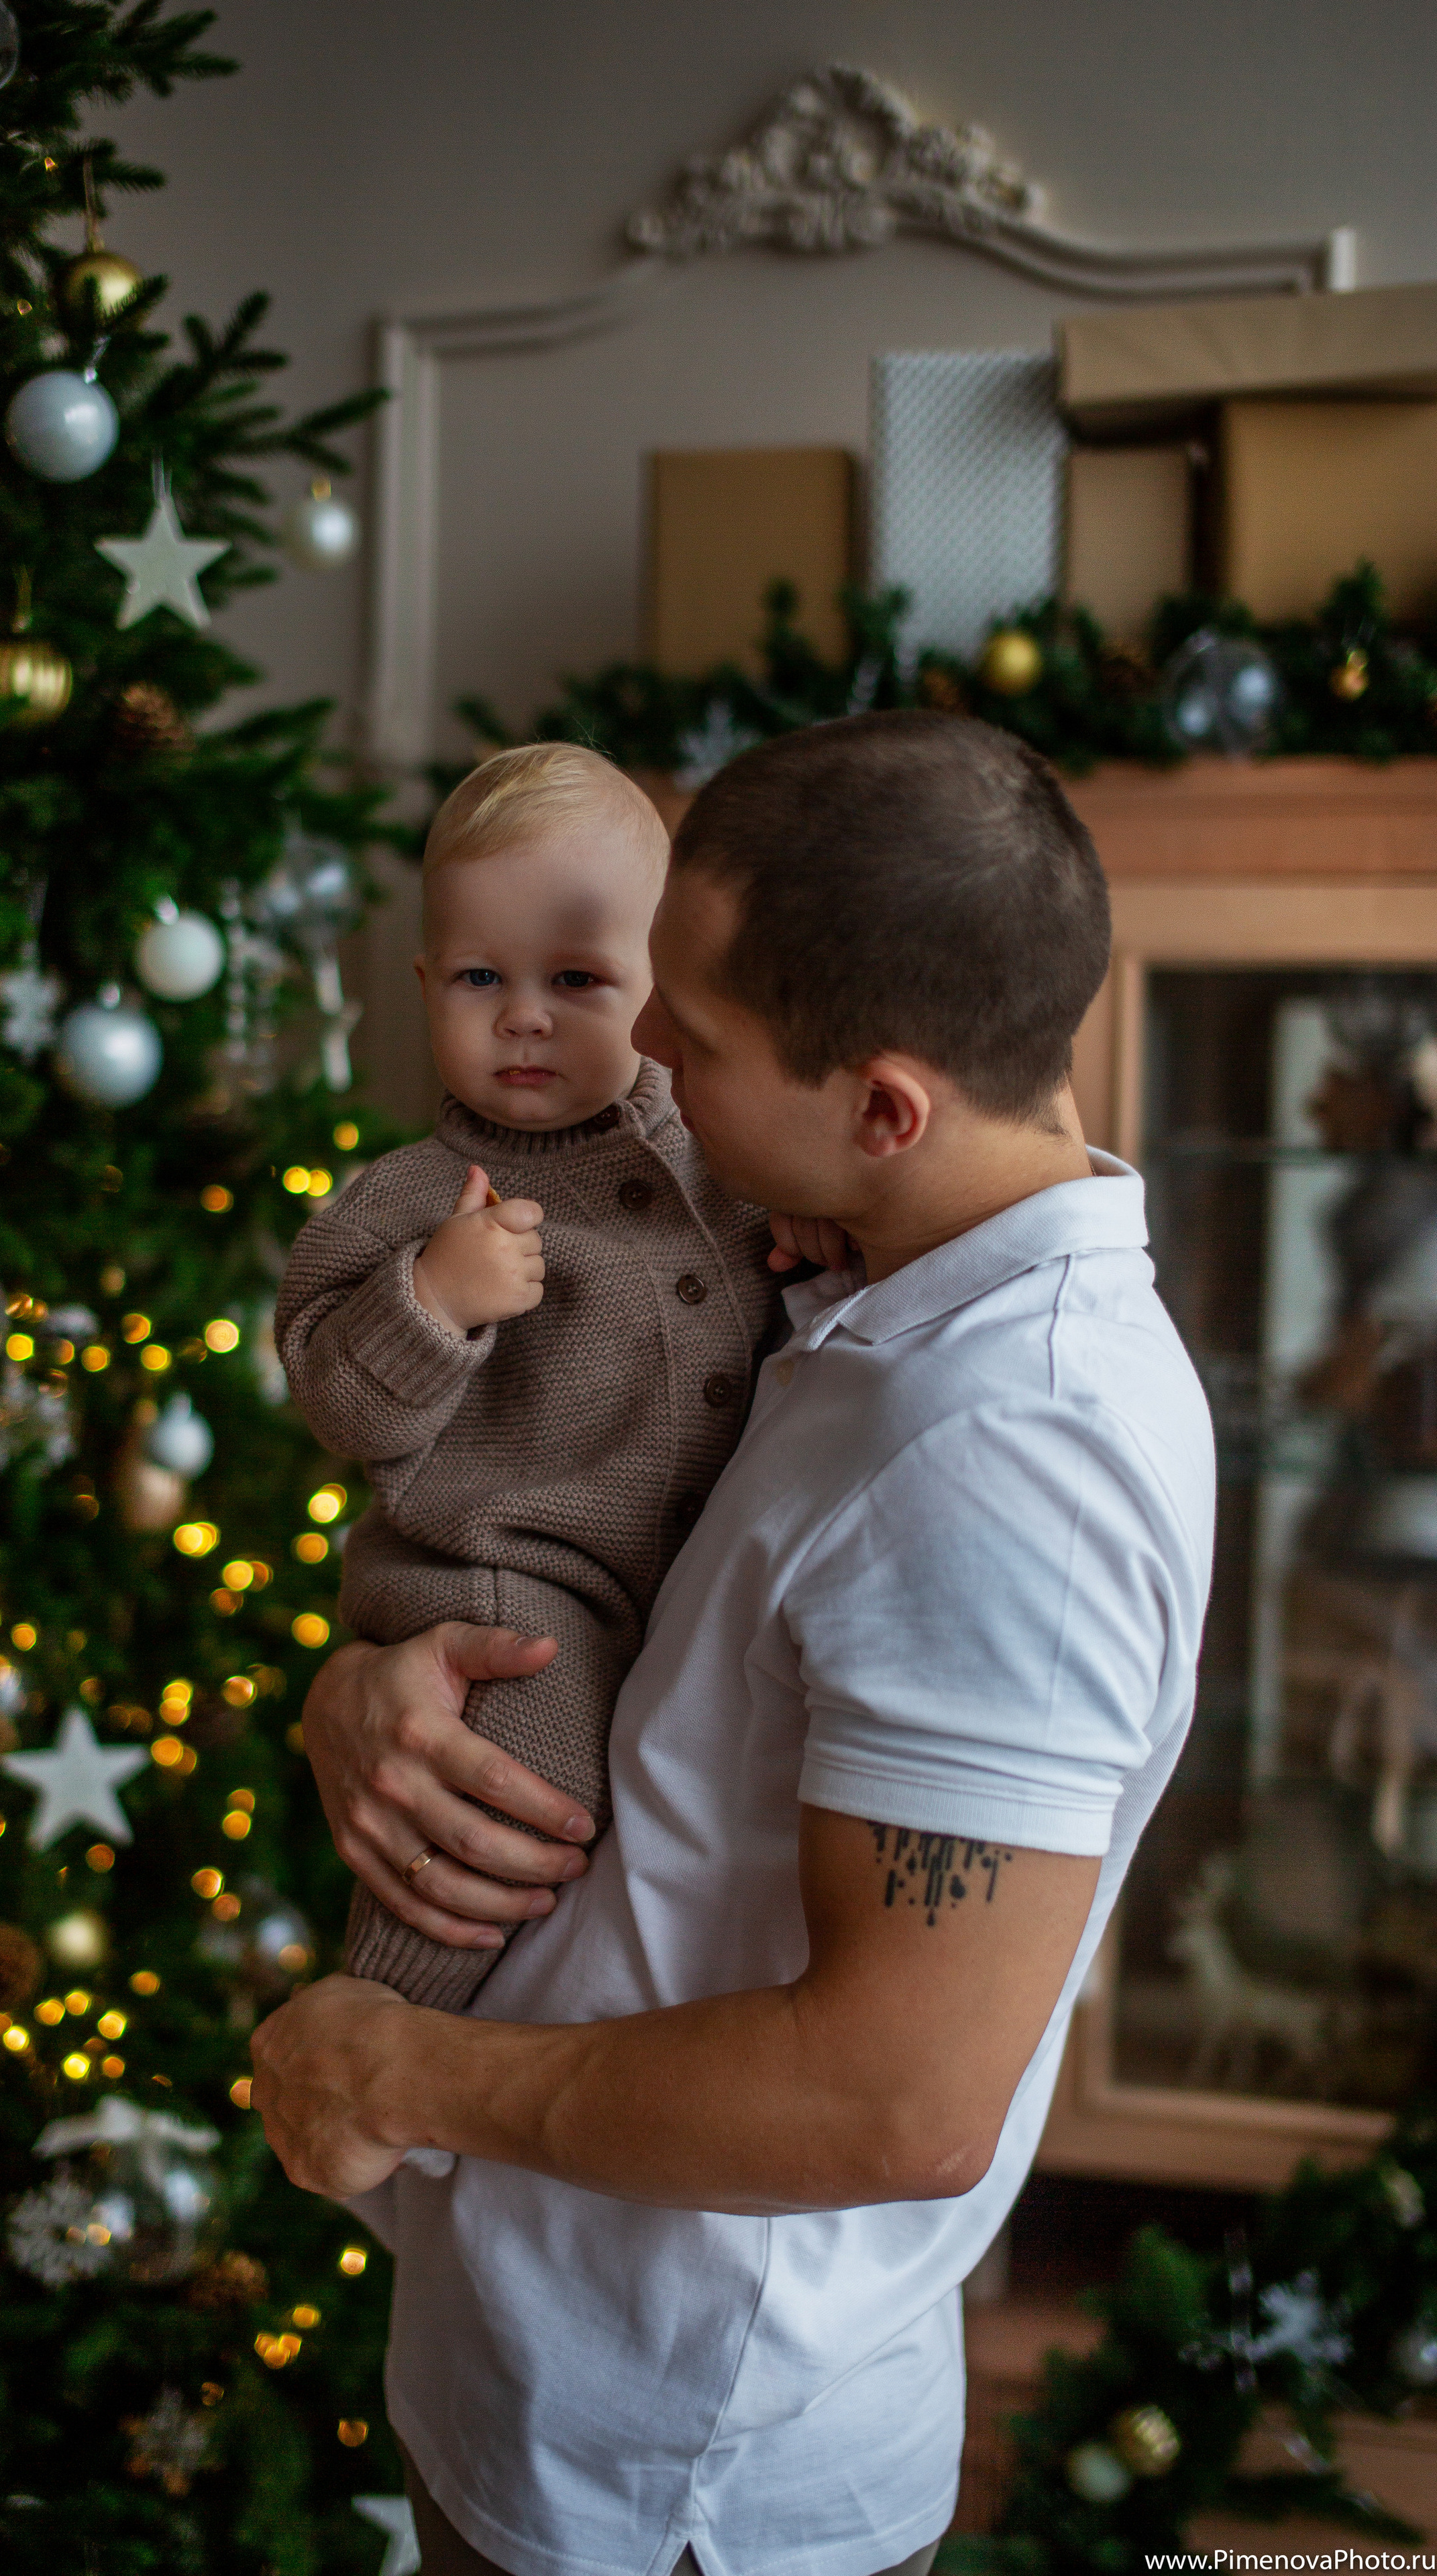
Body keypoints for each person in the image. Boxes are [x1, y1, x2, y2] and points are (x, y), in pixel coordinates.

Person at [252, 712, 1217, 2576]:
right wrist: (377, 1682)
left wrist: (399, 2076)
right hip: (545, 2344)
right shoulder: (864, 1277)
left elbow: (895, 2102)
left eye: (692, 1026)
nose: (648, 1057)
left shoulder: (1018, 1466)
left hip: (675, 2465)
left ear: (883, 1104)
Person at [276, 741, 780, 2010]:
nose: (523, 1016)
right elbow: (335, 1403)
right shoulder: (410, 1204)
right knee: (531, 1757)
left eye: (577, 979)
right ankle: (387, 2019)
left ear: (663, 988)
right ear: (425, 981)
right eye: (479, 978)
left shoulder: (734, 1156)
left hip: (682, 1596)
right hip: (506, 1579)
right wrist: (430, 1304)